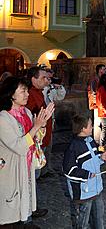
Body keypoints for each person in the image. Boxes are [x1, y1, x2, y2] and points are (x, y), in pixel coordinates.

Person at [0, 76, 54, 227]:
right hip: (11, 170)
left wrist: (42, 125)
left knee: (23, 206)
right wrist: (36, 126)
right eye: (23, 91)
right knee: (9, 210)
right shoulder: (3, 118)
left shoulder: (27, 113)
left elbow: (37, 140)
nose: (27, 94)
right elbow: (19, 147)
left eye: (27, 91)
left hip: (26, 165)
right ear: (11, 94)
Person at [63, 113, 106, 229]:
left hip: (96, 189)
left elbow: (94, 161)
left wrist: (101, 159)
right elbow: (69, 170)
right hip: (83, 192)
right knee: (82, 222)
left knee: (98, 219)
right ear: (83, 129)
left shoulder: (91, 141)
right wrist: (87, 174)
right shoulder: (73, 147)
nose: (92, 127)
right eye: (90, 125)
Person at [26, 66, 53, 182]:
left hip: (43, 135)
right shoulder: (30, 94)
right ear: (33, 79)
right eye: (43, 78)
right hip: (35, 138)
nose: (46, 80)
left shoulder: (39, 92)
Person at [41, 66, 66, 177]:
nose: (49, 81)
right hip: (41, 122)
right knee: (42, 146)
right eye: (47, 78)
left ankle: (47, 168)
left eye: (50, 79)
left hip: (50, 120)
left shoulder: (50, 90)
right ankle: (39, 170)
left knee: (49, 146)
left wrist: (59, 87)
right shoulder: (41, 90)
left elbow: (60, 97)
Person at [87, 64, 106, 144]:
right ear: (100, 70)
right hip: (97, 103)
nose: (105, 71)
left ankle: (100, 139)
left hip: (101, 103)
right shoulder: (95, 79)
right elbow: (94, 91)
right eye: (104, 69)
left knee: (101, 122)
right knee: (98, 122)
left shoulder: (100, 79)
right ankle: (97, 140)